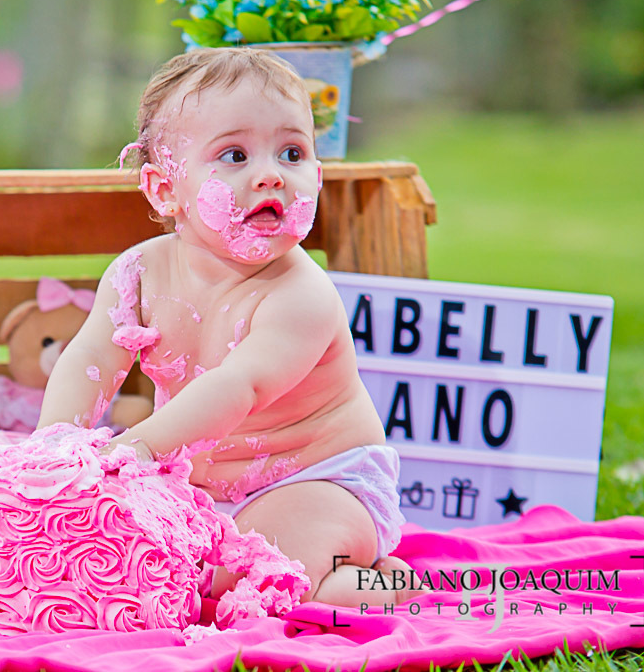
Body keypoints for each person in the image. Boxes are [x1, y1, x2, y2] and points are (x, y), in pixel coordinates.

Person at [37, 47, 419, 606]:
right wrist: (54, 447)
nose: (270, 176)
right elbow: (90, 357)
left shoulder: (301, 295)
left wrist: (137, 448)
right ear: (165, 189)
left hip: (318, 480)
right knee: (133, 566)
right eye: (235, 155)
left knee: (258, 578)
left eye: (292, 153)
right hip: (196, 487)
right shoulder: (138, 274)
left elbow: (239, 386)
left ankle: (382, 585)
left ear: (317, 175)